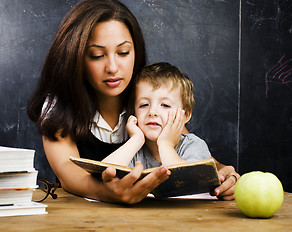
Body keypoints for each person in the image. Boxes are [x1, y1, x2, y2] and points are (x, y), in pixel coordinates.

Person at [27, 0, 239, 204]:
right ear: (76, 58)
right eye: (97, 55)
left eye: (123, 53)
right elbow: (68, 173)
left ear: (136, 51)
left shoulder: (148, 98)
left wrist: (223, 174)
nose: (112, 67)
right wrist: (109, 193)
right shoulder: (60, 105)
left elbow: (187, 146)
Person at [102, 62, 239, 198]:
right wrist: (136, 140)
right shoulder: (135, 150)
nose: (152, 112)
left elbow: (186, 181)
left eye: (165, 105)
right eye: (144, 105)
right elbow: (104, 173)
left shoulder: (193, 145)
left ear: (185, 115)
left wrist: (165, 144)